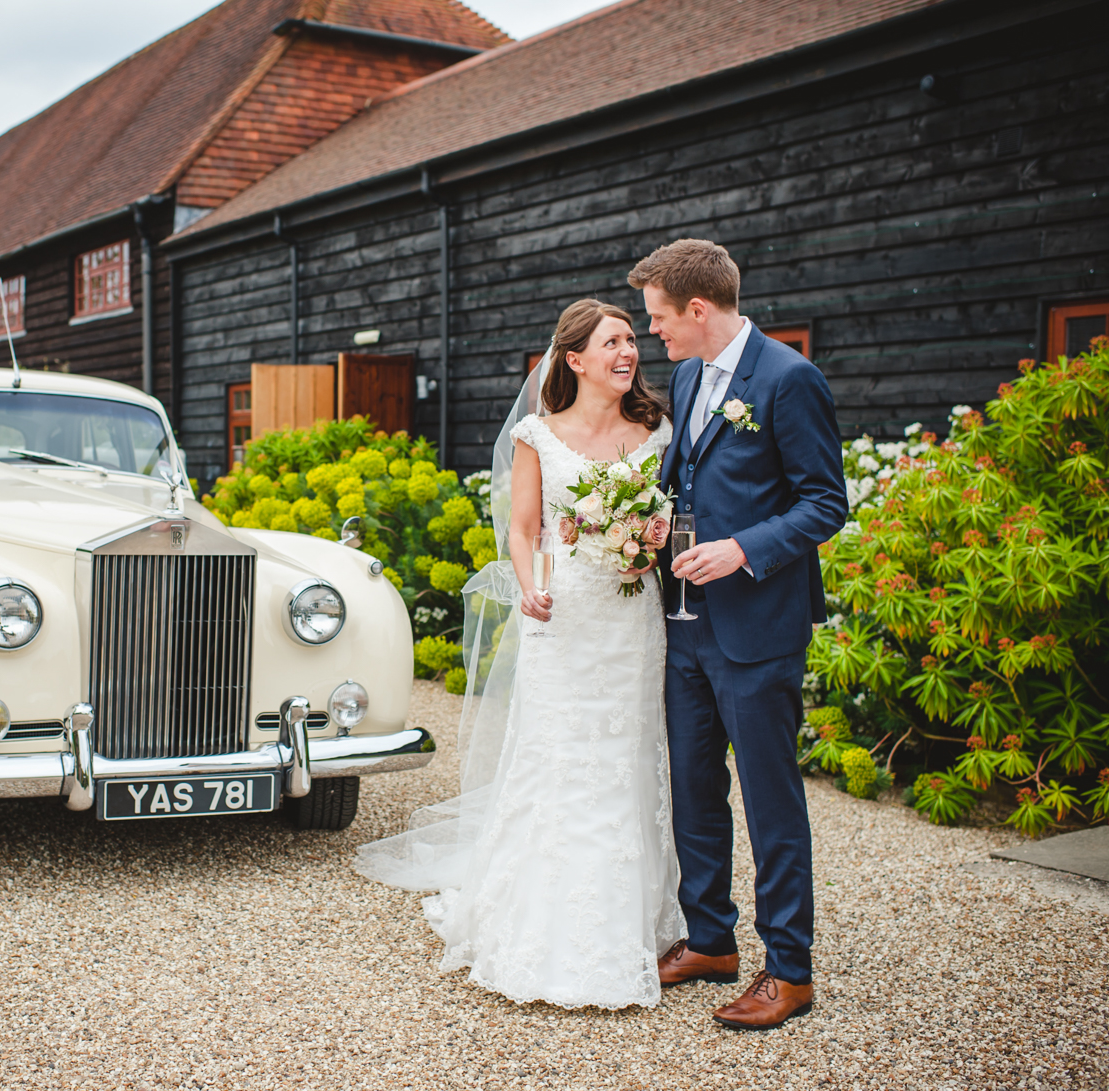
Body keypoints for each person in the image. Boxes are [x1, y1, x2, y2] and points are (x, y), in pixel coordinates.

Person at [356, 300, 686, 1010]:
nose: (628, 351)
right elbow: (525, 526)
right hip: (561, 617)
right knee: (555, 756)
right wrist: (531, 585)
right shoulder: (540, 431)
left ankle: (631, 918)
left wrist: (653, 533)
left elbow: (673, 509)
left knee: (629, 755)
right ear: (574, 358)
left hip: (632, 621)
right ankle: (539, 923)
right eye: (612, 342)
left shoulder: (656, 427)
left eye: (632, 339)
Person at [629, 239, 847, 1029]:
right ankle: (711, 938)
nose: (654, 335)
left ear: (697, 309)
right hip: (683, 625)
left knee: (770, 798)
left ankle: (789, 970)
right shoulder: (688, 378)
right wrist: (656, 519)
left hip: (758, 626)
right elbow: (685, 475)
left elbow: (826, 502)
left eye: (659, 319)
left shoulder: (790, 379)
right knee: (693, 787)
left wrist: (745, 547)